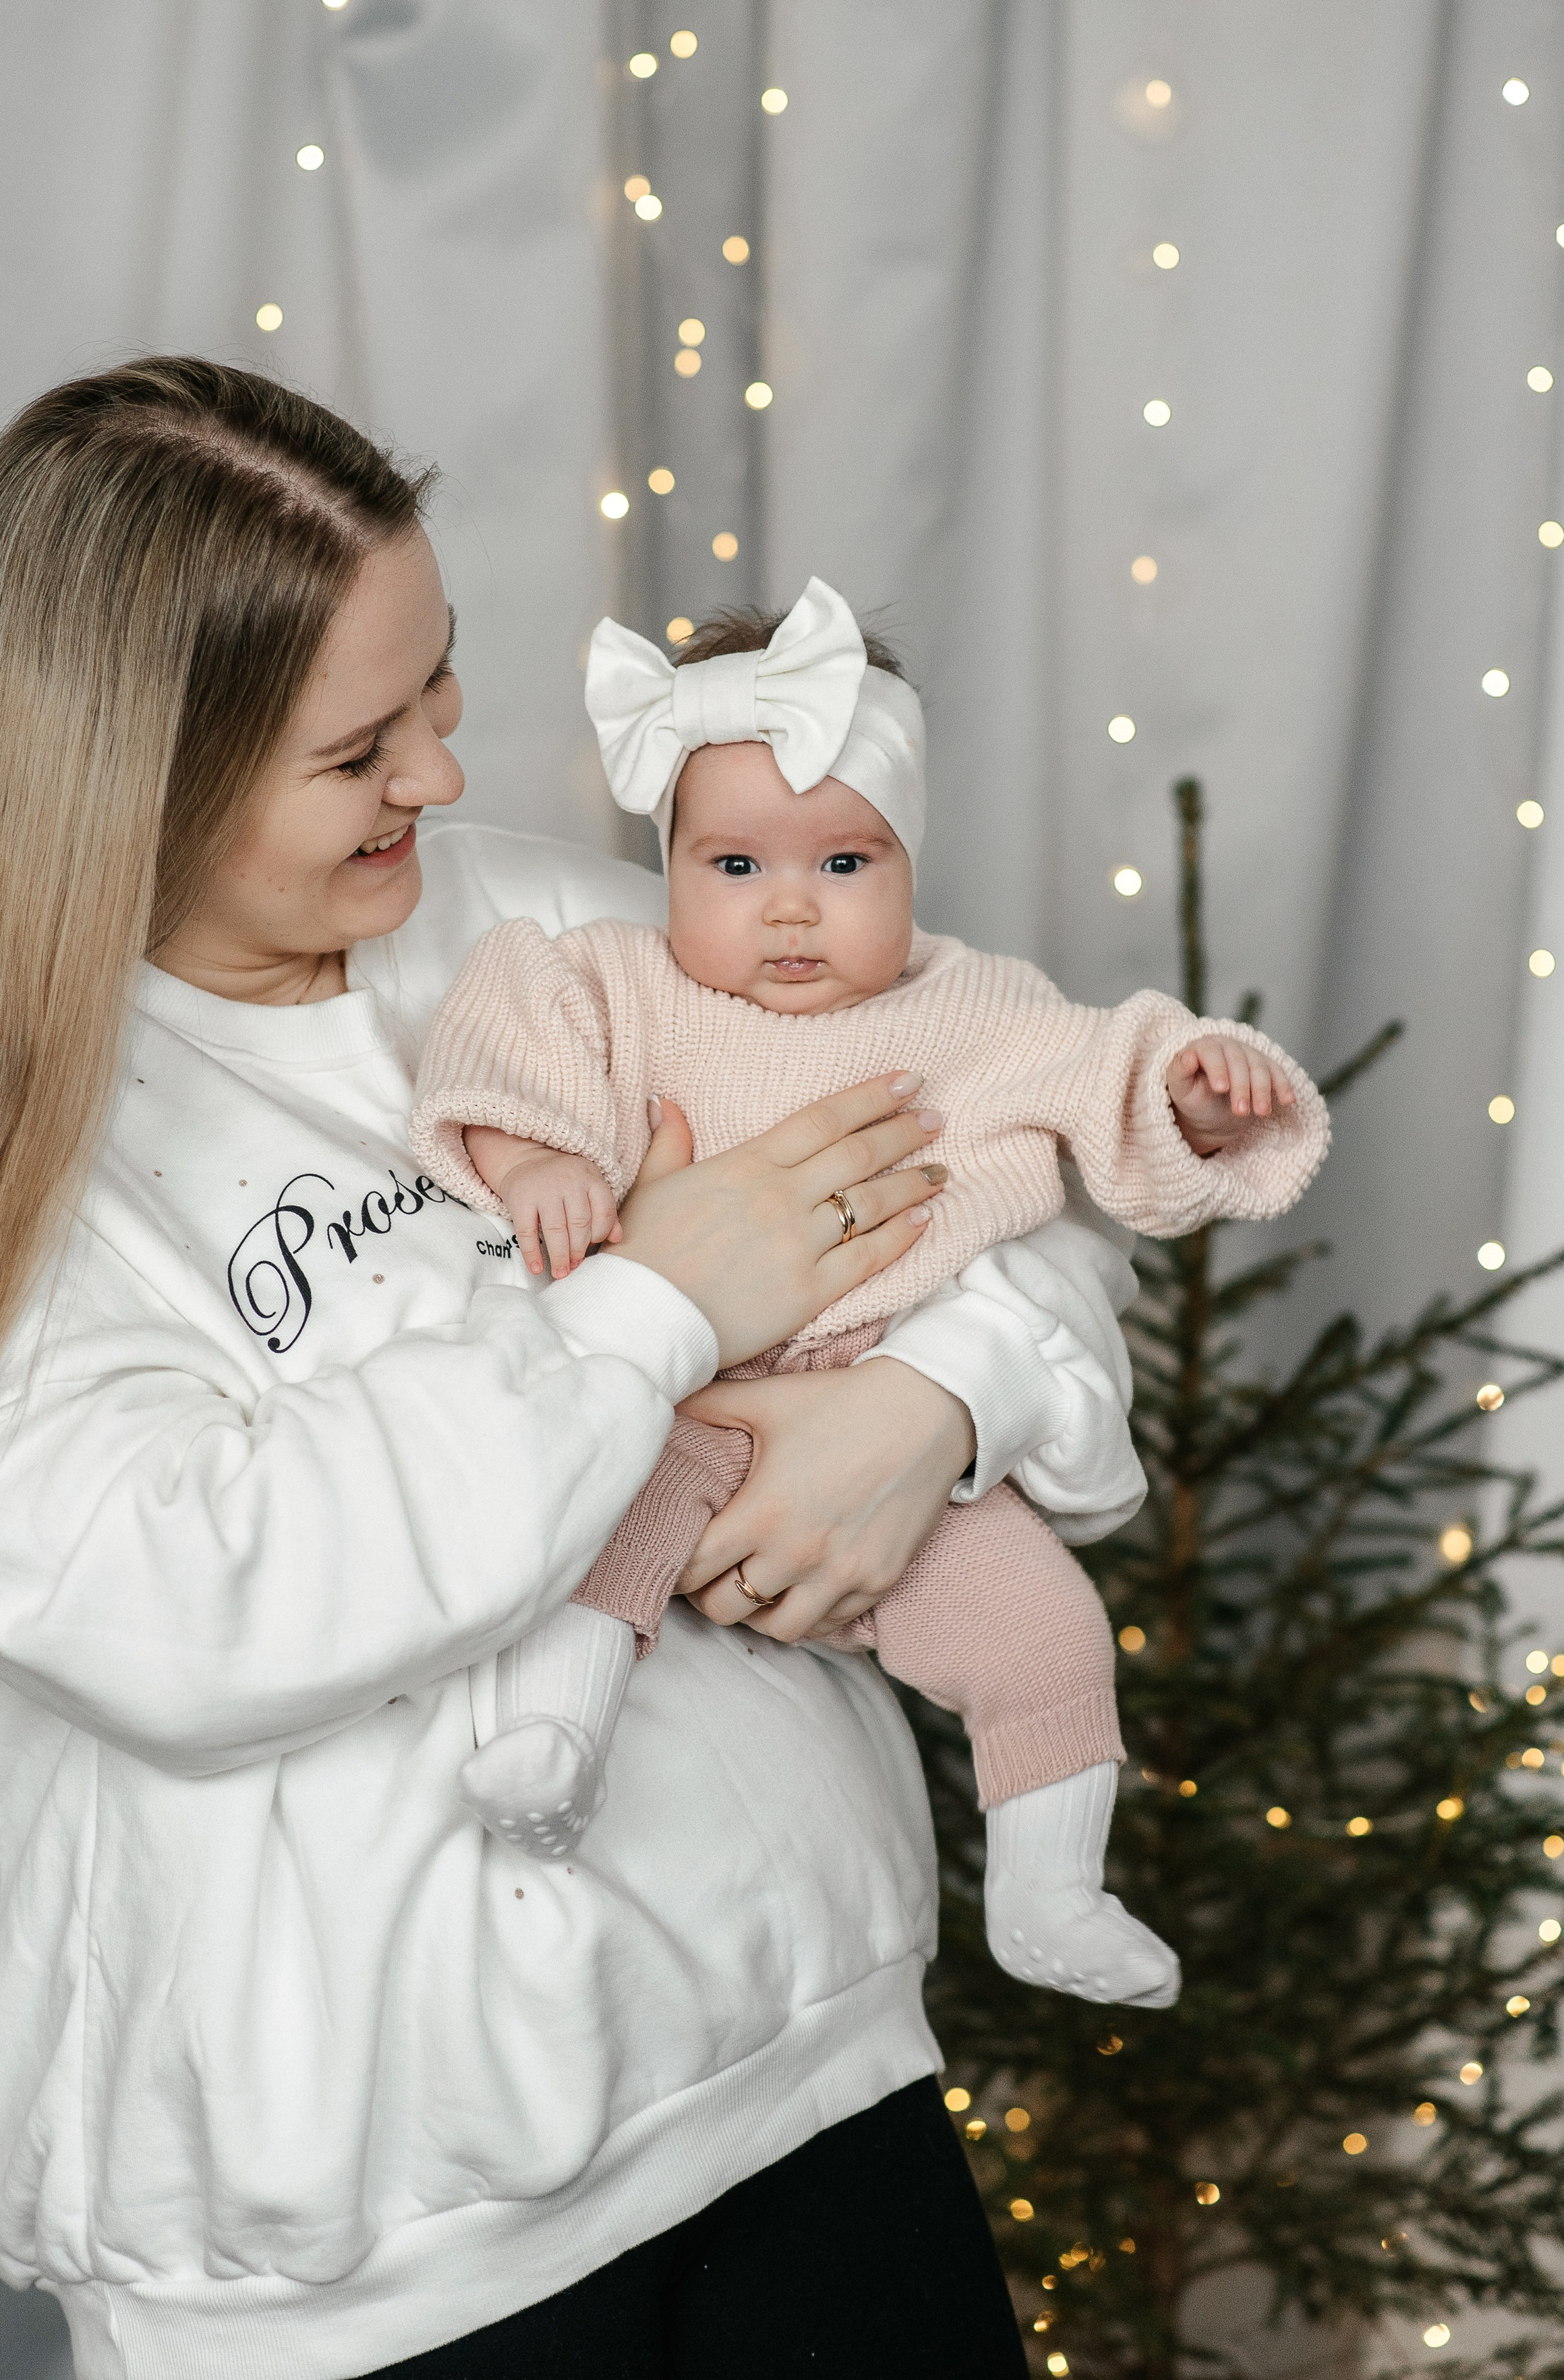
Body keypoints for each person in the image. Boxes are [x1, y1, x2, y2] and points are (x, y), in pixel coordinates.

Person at [0, 362, 1144, 2379]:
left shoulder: (537, 927)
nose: (440, 778)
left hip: (807, 2080)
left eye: (437, 685)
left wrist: (939, 1398)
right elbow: (188, 1601)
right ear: (134, 772)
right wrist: (653, 1305)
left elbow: (998, 1122)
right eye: (357, 751)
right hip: (375, 2267)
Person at [407, 579, 1328, 2010]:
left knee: (1048, 1632)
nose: (789, 907)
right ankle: (552, 1739)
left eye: (844, 862)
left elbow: (1112, 1080)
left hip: (891, 1439)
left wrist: (1194, 1098)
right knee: (592, 1525)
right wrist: (537, 1162)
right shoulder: (613, 981)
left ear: (909, 861)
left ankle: (1049, 1889)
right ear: (668, 864)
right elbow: (503, 1053)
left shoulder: (977, 1009)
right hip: (680, 1400)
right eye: (733, 866)